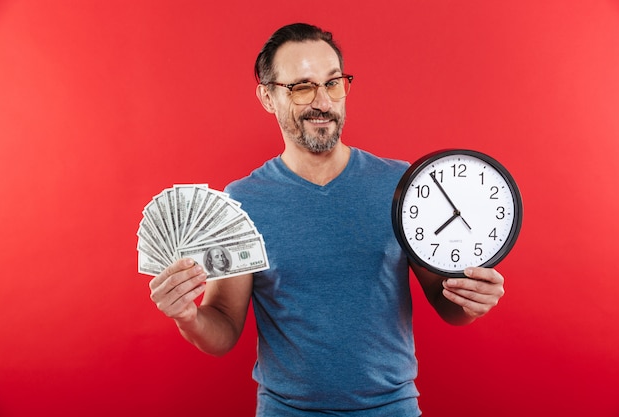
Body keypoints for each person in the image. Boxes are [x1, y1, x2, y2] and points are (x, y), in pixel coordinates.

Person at [148, 23, 505, 416]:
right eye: (302, 87)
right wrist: (187, 316)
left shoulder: (403, 186)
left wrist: (472, 300)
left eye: (333, 83)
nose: (323, 101)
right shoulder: (241, 202)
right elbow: (222, 329)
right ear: (268, 97)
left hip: (393, 407)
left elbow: (447, 303)